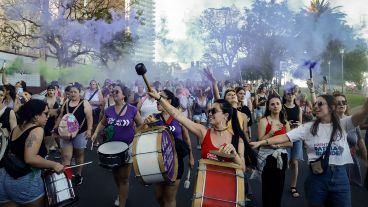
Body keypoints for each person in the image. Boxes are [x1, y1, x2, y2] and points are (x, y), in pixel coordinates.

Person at [250, 94, 368, 207]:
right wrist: (261, 142)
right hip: (317, 177)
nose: (316, 106)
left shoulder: (344, 124)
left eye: (320, 104)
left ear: (331, 107)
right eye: (315, 104)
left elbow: (362, 114)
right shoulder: (308, 127)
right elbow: (285, 137)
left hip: (340, 176)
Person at [148, 89, 257, 172]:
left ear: (225, 115)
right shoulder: (203, 131)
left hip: (227, 190)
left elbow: (242, 168)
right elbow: (177, 115)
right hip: (205, 187)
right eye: (209, 111)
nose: (209, 113)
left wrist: (234, 155)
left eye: (213, 111)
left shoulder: (238, 139)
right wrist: (159, 99)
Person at [0, 99, 64, 206]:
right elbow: (30, 158)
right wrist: (55, 164)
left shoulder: (16, 128)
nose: (48, 116)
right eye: (45, 113)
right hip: (24, 181)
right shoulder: (37, 130)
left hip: (4, 177)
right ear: (35, 116)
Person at [91, 84, 143, 207]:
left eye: (117, 92)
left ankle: (122, 203)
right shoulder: (108, 110)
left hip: (127, 147)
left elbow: (140, 124)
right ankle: (121, 193)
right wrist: (95, 133)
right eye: (113, 92)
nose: (114, 94)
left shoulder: (132, 110)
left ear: (123, 95)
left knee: (124, 178)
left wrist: (136, 134)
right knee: (116, 175)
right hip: (111, 148)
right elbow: (102, 123)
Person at [143, 89, 194, 207]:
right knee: (159, 196)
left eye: (160, 97)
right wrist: (145, 125)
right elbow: (140, 136)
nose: (156, 100)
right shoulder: (153, 118)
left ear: (169, 101)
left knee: (169, 198)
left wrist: (191, 157)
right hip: (158, 162)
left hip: (175, 161)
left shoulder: (178, 118)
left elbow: (186, 138)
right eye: (156, 98)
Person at [254, 94, 292, 207]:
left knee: (279, 187)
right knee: (268, 188)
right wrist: (271, 132)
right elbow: (260, 141)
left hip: (282, 157)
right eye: (272, 104)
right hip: (268, 158)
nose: (275, 106)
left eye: (277, 103)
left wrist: (279, 146)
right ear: (268, 107)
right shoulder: (264, 121)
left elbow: (290, 143)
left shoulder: (285, 122)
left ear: (281, 105)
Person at [53, 84, 93, 186]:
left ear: (80, 93)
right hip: (65, 134)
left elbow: (89, 118)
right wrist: (55, 128)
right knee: (66, 156)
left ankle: (79, 174)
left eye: (75, 92)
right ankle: (68, 176)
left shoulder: (85, 103)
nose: (73, 94)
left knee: (79, 154)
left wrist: (89, 130)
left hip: (80, 133)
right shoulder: (66, 102)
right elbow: (60, 116)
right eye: (71, 92)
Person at [334, 93, 367, 186]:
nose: (341, 104)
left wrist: (366, 159)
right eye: (338, 102)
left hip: (351, 160)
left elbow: (360, 141)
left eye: (343, 102)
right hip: (335, 163)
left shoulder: (353, 121)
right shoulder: (328, 122)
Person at [283, 87, 303, 198]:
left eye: (292, 94)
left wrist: (299, 125)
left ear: (295, 95)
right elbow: (279, 122)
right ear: (285, 96)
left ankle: (293, 186)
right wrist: (287, 124)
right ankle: (278, 183)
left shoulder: (298, 108)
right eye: (288, 94)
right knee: (285, 162)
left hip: (297, 137)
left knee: (294, 162)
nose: (290, 95)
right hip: (285, 137)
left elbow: (301, 123)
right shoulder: (282, 107)